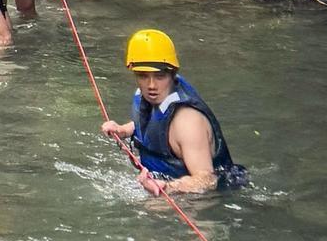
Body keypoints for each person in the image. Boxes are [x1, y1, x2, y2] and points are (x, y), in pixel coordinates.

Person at [102, 29, 248, 194]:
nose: (151, 85)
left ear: (173, 73)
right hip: (162, 181)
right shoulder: (148, 98)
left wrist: (169, 187)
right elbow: (150, 125)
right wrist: (123, 130)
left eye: (159, 76)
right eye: (143, 76)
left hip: (208, 196)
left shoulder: (187, 122)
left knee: (150, 209)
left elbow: (207, 179)